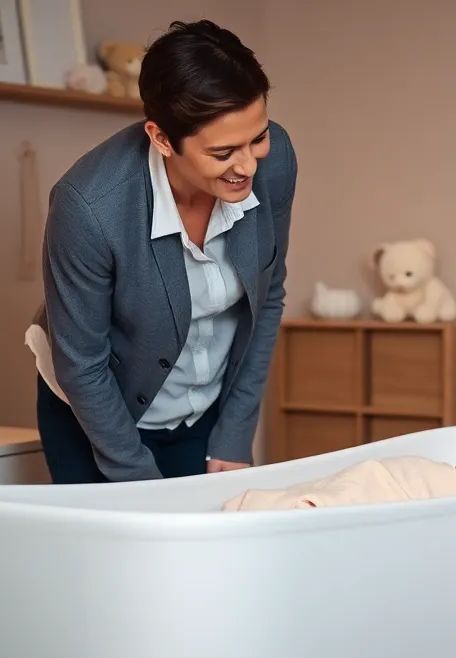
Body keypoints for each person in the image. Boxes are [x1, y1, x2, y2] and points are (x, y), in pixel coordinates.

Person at [24, 19, 296, 484]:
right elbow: (83, 365)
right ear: (163, 139)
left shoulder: (275, 163)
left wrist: (234, 431)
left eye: (258, 136)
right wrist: (139, 482)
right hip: (96, 416)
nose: (249, 164)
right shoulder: (89, 207)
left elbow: (267, 300)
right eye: (224, 152)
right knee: (120, 553)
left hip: (204, 410)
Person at [221, 439, 456, 511]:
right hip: (372, 482)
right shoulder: (439, 477)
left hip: (370, 495)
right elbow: (377, 477)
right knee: (332, 490)